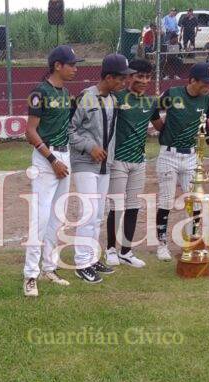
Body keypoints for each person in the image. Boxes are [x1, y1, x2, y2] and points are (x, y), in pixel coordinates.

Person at [21, 45, 80, 297]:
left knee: (57, 217)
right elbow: (30, 131)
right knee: (40, 218)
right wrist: (53, 159)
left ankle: (49, 267)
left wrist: (62, 158)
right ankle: (30, 276)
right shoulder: (39, 92)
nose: (75, 69)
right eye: (72, 64)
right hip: (47, 159)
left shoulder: (66, 93)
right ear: (58, 65)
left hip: (63, 155)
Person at [69, 54, 130, 284]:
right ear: (108, 77)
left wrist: (109, 157)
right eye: (121, 78)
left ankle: (92, 258)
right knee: (87, 212)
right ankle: (81, 263)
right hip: (85, 163)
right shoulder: (86, 97)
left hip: (105, 164)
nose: (123, 83)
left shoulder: (112, 100)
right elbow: (69, 131)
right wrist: (90, 146)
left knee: (97, 215)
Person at [154, 63, 209, 261]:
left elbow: (204, 125)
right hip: (169, 154)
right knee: (166, 200)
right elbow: (153, 110)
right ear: (192, 80)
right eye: (205, 82)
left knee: (195, 201)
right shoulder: (173, 93)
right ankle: (162, 244)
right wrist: (160, 127)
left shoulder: (207, 99)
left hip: (191, 156)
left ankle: (192, 240)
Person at [105, 58, 163, 271]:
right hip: (118, 160)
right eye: (140, 76)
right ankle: (111, 249)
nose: (144, 80)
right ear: (129, 77)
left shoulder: (150, 103)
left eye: (148, 77)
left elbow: (160, 126)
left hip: (139, 162)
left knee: (133, 207)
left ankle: (126, 252)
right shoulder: (117, 98)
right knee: (117, 207)